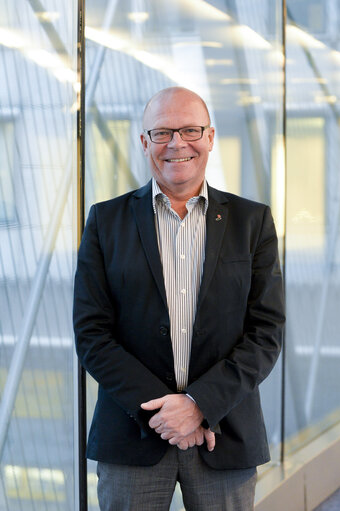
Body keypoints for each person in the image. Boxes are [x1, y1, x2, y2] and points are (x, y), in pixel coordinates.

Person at [73, 86, 285, 511]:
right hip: (131, 438)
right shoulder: (105, 220)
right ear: (144, 142)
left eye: (190, 130)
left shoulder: (251, 220)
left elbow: (266, 332)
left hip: (225, 436)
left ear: (209, 137)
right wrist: (168, 416)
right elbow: (91, 333)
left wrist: (199, 406)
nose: (177, 144)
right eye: (163, 132)